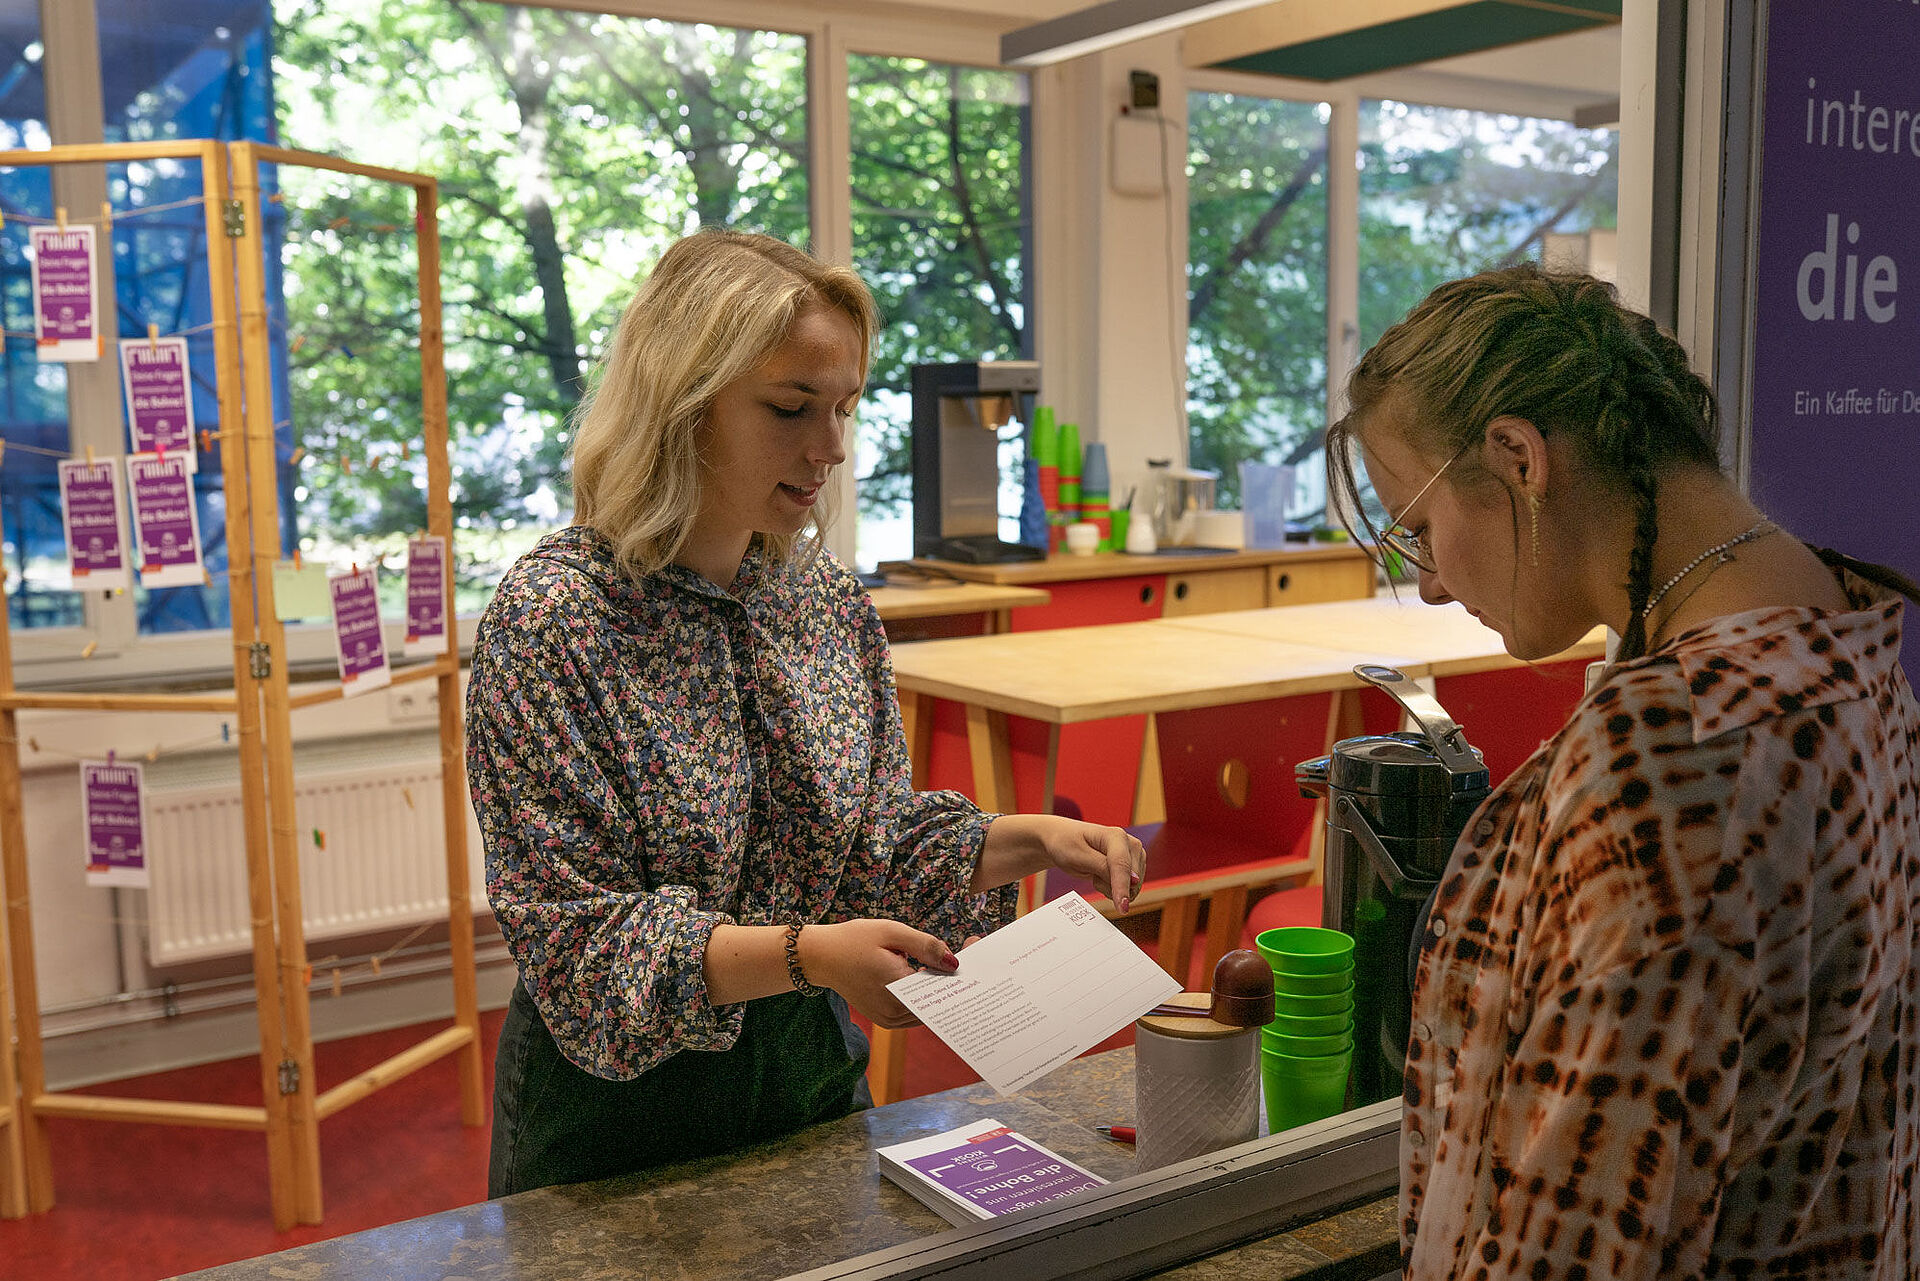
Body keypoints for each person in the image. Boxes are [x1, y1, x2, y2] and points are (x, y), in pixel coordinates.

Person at [466, 228, 1146, 1197]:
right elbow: (581, 943)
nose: (830, 449)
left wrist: (1018, 840)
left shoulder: (821, 602)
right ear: (682, 404)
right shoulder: (555, 624)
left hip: (805, 1075)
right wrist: (804, 953)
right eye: (791, 409)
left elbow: (862, 842)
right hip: (613, 1118)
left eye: (843, 410)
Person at [1326, 263, 1920, 1279]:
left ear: (1517, 457)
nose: (1426, 586)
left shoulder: (1673, 753)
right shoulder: (1838, 633)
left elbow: (1585, 1240)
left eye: (1420, 530)